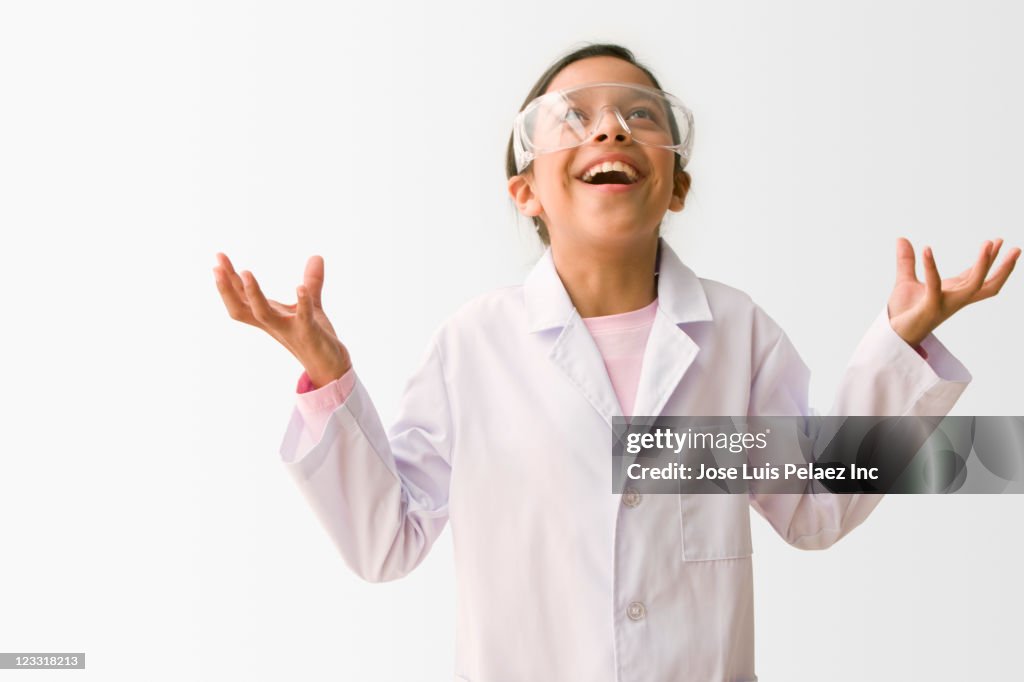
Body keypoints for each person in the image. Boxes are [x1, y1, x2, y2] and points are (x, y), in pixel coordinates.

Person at [213, 43, 1019, 682]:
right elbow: (386, 540)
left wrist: (901, 345)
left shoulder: (733, 332)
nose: (610, 129)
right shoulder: (474, 345)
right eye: (574, 117)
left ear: (676, 186)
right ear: (525, 190)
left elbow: (813, 504)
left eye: (641, 115)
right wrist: (327, 378)